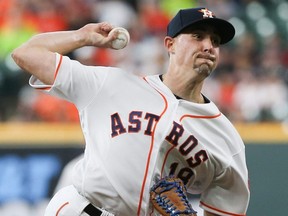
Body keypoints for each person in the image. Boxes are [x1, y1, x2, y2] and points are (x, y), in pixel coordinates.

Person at [12, 7, 250, 216]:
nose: (208, 46)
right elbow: (25, 54)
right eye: (198, 36)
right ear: (170, 44)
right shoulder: (112, 84)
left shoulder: (227, 140)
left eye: (216, 41)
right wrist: (82, 37)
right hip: (81, 209)